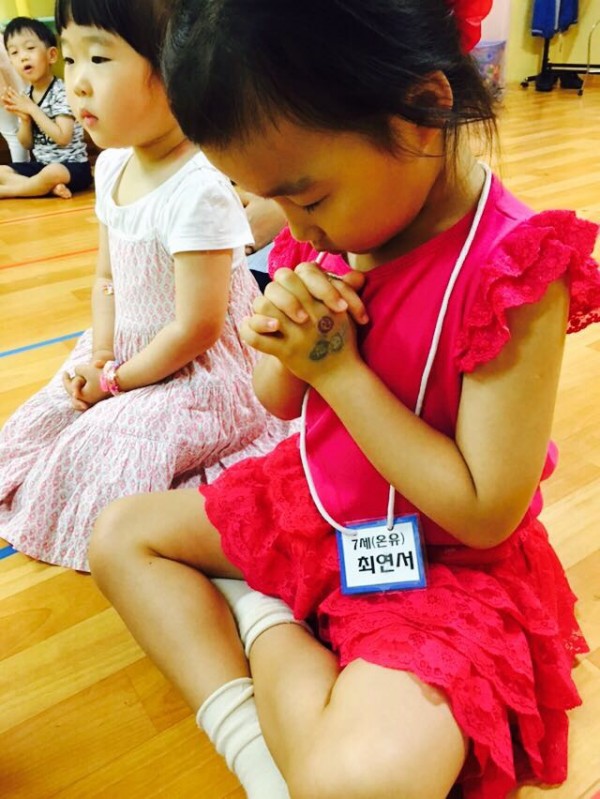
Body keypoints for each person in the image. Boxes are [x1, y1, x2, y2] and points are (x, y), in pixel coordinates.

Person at [89, 1, 600, 798]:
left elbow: (482, 512)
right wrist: (284, 339)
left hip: (439, 568)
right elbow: (278, 403)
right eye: (268, 199)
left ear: (424, 111)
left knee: (362, 781)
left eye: (309, 198)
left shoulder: (513, 268)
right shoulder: (330, 230)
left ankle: (265, 622)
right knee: (120, 534)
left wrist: (338, 372)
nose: (294, 227)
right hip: (320, 511)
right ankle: (263, 721)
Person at [0, 0, 291, 573]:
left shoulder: (197, 189)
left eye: (99, 58)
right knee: (42, 423)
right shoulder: (112, 165)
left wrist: (115, 383)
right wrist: (101, 357)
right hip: (127, 352)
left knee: (107, 450)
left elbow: (197, 329)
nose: (77, 82)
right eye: (71, 57)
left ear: (177, 70)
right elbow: (108, 279)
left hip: (199, 371)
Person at [0, 16, 91, 199]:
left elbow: (63, 137)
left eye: (30, 48)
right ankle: (46, 187)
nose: (23, 56)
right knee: (2, 170)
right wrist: (25, 119)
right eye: (14, 52)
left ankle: (12, 191)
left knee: (53, 172)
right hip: (41, 166)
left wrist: (33, 109)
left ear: (51, 55)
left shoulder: (62, 91)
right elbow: (27, 144)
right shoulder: (26, 95)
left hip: (72, 167)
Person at [0, 35, 29, 162]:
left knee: (13, 133)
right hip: (13, 88)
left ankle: (21, 168)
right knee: (14, 133)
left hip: (8, 90)